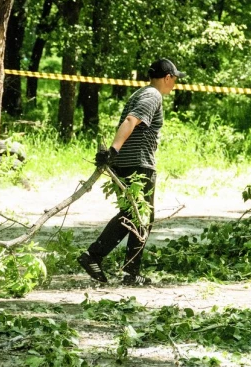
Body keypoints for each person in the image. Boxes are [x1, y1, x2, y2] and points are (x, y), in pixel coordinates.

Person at [78, 58, 186, 285]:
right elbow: (131, 120)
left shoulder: (142, 93)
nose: (175, 84)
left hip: (128, 163)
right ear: (167, 77)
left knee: (135, 215)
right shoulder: (152, 95)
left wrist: (113, 155)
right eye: (174, 79)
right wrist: (113, 151)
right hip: (137, 164)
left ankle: (128, 270)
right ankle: (96, 257)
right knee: (139, 215)